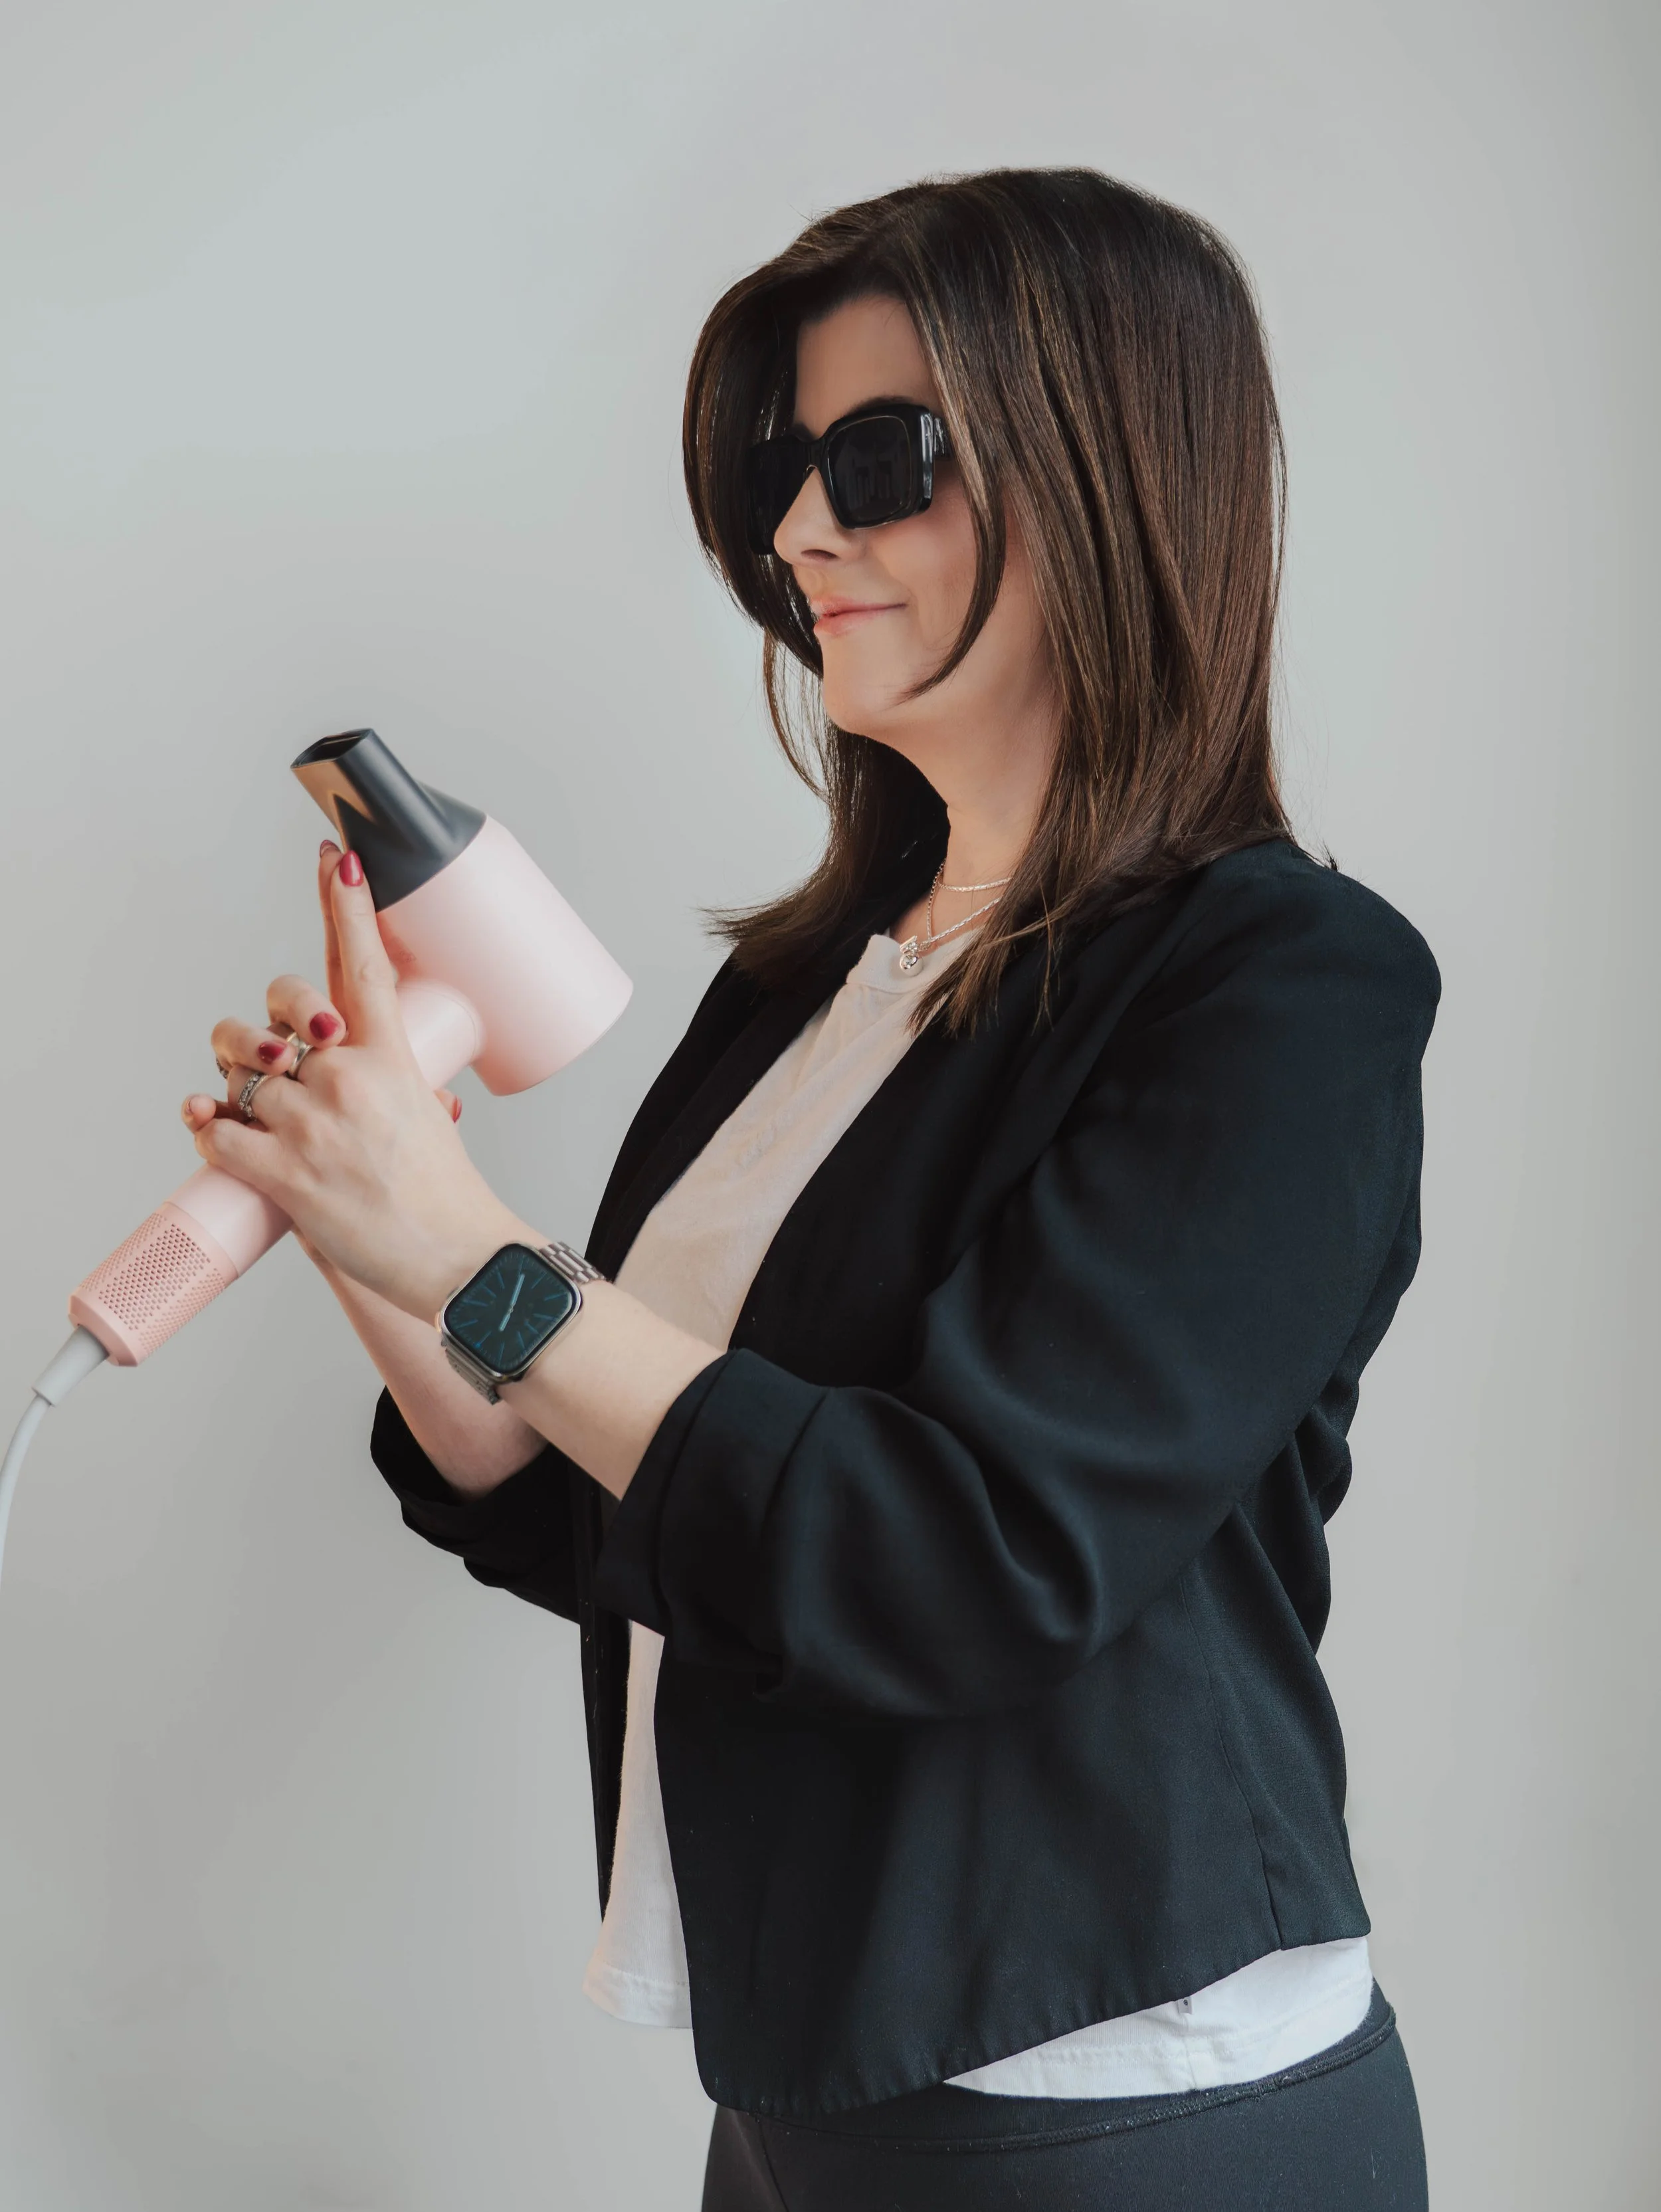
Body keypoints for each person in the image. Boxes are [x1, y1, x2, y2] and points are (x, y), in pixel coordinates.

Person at [182, 168, 1437, 2210]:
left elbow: (964, 1559)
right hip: (809, 2078)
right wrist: (374, 1221)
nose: (798, 531)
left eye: (885, 458)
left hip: (1121, 2099)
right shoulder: (807, 984)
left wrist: (476, 1252)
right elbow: (641, 1494)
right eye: (788, 466)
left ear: (1112, 469)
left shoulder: (1280, 990)